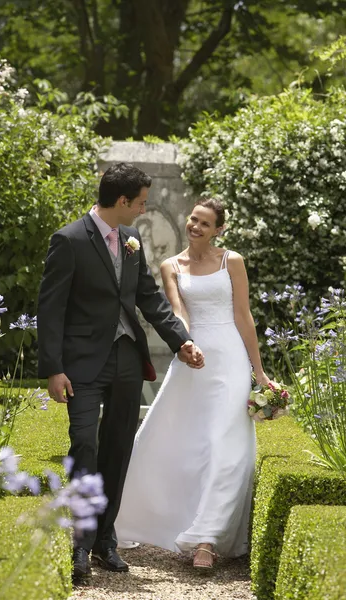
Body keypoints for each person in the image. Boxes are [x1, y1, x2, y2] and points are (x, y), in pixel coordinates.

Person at [36, 162, 204, 580]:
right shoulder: (69, 240)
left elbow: (148, 297)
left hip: (127, 360)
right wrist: (54, 369)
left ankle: (104, 540)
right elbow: (50, 308)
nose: (144, 210)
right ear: (122, 200)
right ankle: (78, 540)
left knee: (118, 448)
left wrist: (180, 340)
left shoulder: (130, 240)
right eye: (142, 203)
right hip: (83, 365)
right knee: (84, 447)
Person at [115, 197, 271, 569]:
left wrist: (259, 371)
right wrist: (186, 346)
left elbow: (243, 316)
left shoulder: (231, 261)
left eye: (205, 223)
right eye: (193, 219)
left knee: (226, 445)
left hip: (230, 359)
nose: (195, 226)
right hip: (193, 356)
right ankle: (127, 519)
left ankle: (207, 539)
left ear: (219, 229)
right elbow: (177, 310)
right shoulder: (171, 265)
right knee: (163, 435)